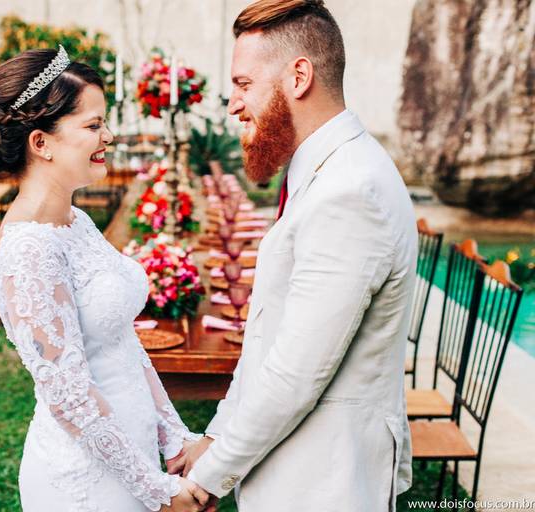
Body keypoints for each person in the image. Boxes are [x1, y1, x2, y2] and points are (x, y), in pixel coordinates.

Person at [169, 1, 417, 511]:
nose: (234, 105)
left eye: (243, 84)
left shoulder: (349, 190)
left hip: (324, 483)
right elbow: (267, 340)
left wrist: (207, 479)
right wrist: (216, 437)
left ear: (298, 76)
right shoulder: (326, 170)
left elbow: (296, 373)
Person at [0, 46, 208, 512]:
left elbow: (123, 345)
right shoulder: (29, 249)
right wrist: (156, 492)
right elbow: (70, 398)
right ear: (42, 143)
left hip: (129, 456)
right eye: (93, 126)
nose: (108, 136)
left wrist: (173, 438)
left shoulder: (74, 221)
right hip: (85, 481)